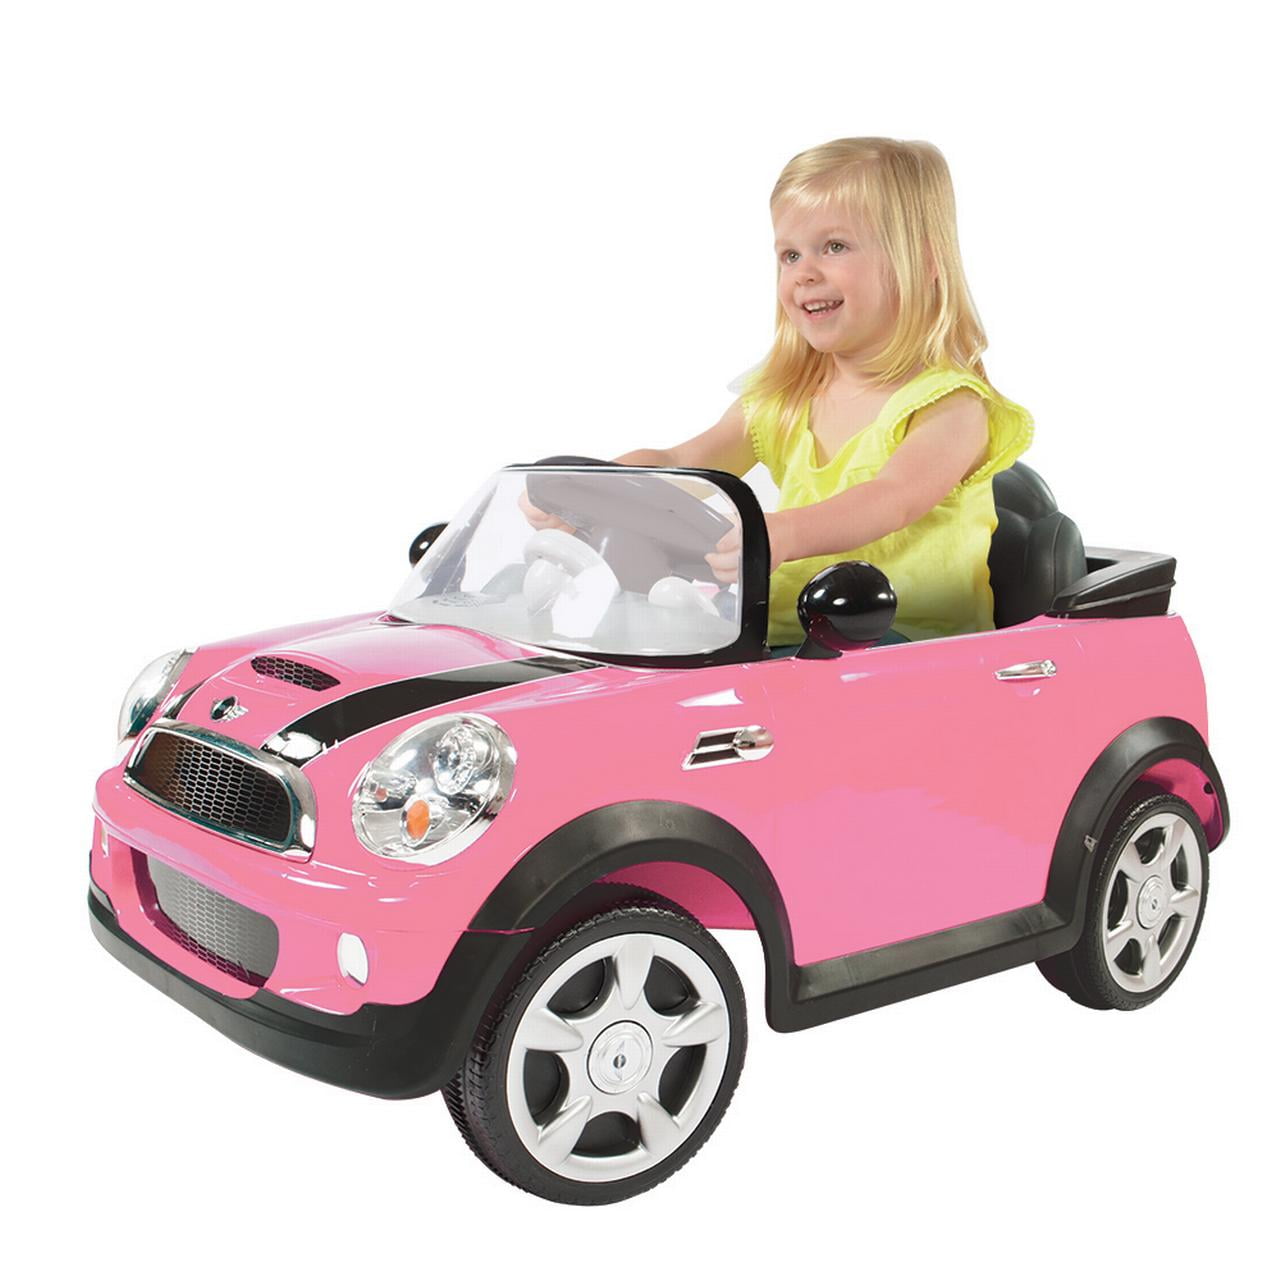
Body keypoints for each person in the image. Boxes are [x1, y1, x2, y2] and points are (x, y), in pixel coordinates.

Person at [526, 136, 1034, 650]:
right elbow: (682, 464)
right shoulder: (784, 400)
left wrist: (784, 533)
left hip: (914, 648)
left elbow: (893, 499)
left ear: (922, 262)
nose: (804, 273)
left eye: (834, 247)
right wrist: (593, 489)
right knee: (651, 624)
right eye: (790, 255)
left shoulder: (952, 406)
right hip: (789, 643)